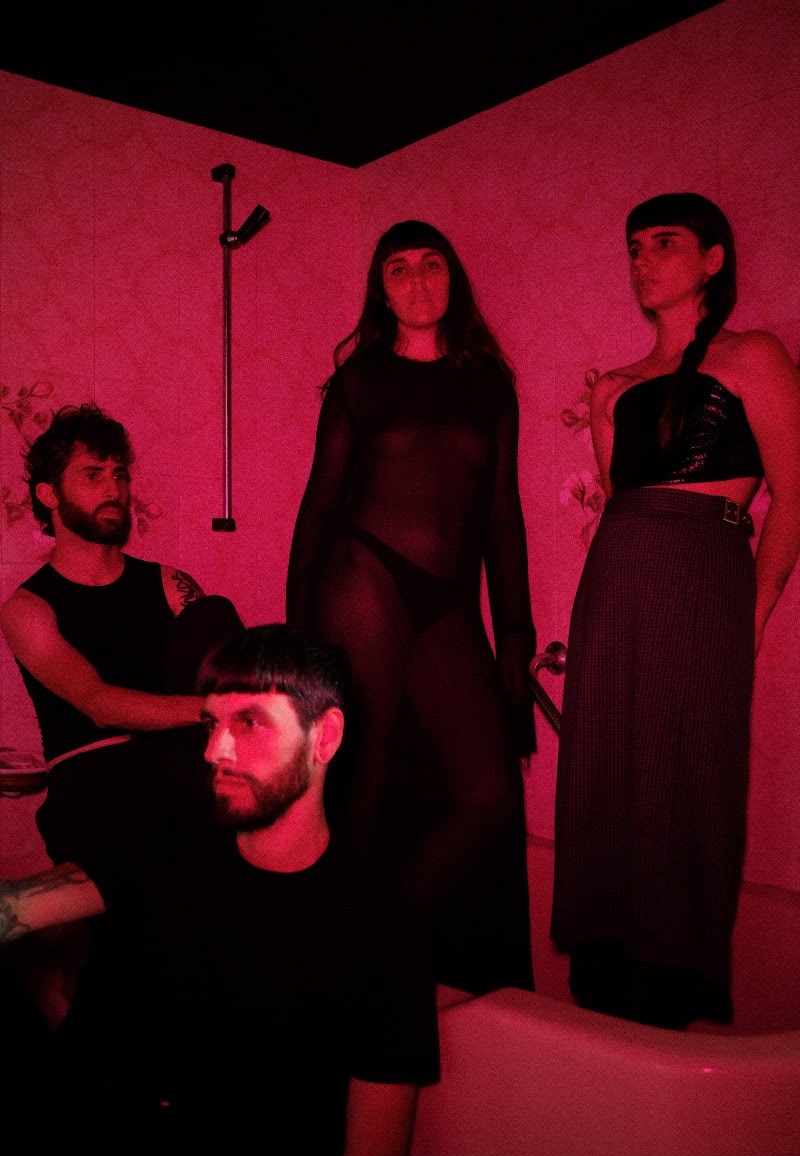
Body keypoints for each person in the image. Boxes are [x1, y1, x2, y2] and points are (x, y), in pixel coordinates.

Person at [0, 624, 440, 1156]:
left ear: (325, 736)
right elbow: (22, 905)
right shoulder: (168, 847)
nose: (214, 751)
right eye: (211, 724)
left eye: (248, 723)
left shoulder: (382, 933)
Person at [550, 192, 800, 1030]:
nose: (643, 261)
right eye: (634, 247)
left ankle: (668, 989)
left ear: (713, 258)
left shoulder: (753, 355)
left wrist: (752, 611)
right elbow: (620, 503)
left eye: (664, 243)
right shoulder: (614, 388)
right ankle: (604, 985)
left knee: (688, 772)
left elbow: (794, 494)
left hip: (704, 573)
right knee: (604, 764)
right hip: (616, 578)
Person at [286, 220, 537, 995]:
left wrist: (515, 637)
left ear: (452, 278)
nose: (419, 280)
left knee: (491, 796)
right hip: (364, 573)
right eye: (399, 269)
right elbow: (319, 505)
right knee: (363, 775)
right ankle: (339, 959)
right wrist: (296, 641)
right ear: (381, 290)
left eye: (432, 265)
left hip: (447, 600)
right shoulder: (360, 382)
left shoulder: (489, 384)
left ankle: (375, 928)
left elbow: (503, 516)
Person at [0, 402, 243, 1020]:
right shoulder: (28, 608)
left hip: (183, 770)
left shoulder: (169, 583)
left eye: (120, 474)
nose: (114, 488)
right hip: (96, 780)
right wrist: (214, 708)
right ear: (48, 495)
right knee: (166, 874)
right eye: (93, 474)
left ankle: (35, 910)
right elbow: (99, 703)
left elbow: (231, 670)